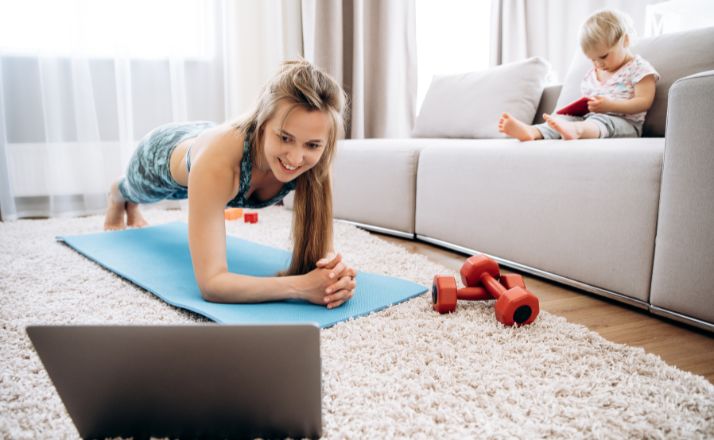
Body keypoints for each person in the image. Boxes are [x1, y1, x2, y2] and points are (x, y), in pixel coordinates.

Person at [103, 59, 356, 309]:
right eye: (285, 138)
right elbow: (212, 284)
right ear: (263, 123)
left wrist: (335, 279)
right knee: (138, 192)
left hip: (206, 143)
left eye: (312, 145)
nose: (295, 158)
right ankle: (118, 194)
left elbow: (322, 257)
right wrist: (300, 287)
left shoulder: (317, 160)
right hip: (162, 154)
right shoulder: (218, 162)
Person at [498, 9, 659, 141]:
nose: (599, 64)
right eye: (592, 59)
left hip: (625, 123)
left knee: (598, 121)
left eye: (603, 56)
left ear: (625, 40)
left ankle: (575, 131)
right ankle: (533, 132)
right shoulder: (593, 74)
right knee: (563, 120)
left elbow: (643, 102)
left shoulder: (639, 68)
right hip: (588, 120)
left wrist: (611, 105)